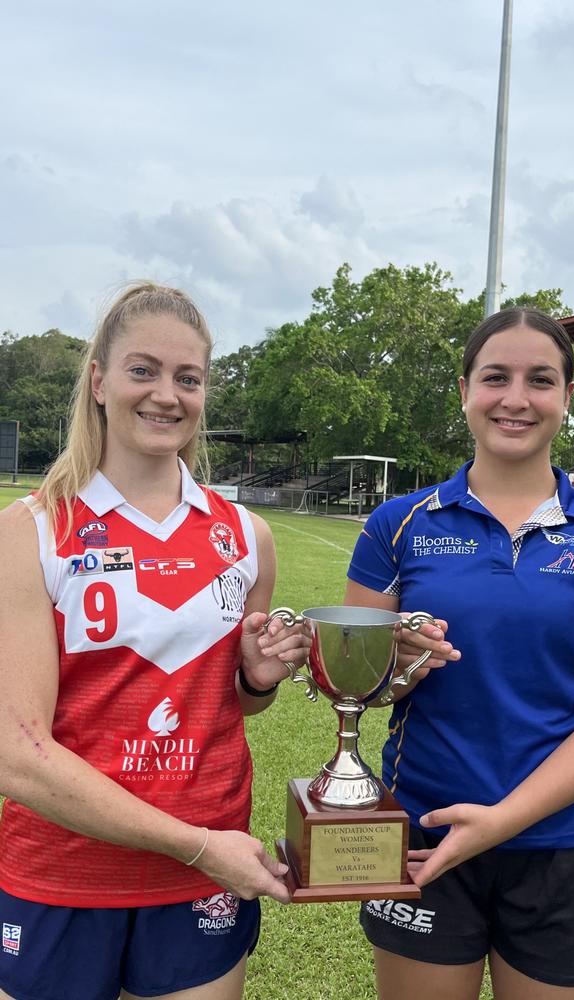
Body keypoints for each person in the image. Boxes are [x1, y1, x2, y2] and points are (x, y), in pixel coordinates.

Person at [0, 283, 310, 1000]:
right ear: (100, 381)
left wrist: (255, 680)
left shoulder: (245, 535)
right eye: (143, 370)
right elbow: (18, 755)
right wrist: (196, 845)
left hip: (202, 879)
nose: (166, 394)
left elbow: (235, 704)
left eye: (187, 378)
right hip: (65, 872)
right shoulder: (34, 530)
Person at [345, 308, 574, 1000]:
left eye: (540, 380)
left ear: (568, 397)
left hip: (562, 847)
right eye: (495, 377)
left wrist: (502, 822)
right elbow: (359, 688)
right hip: (423, 837)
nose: (516, 398)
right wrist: (395, 664)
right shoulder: (397, 525)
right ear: (464, 390)